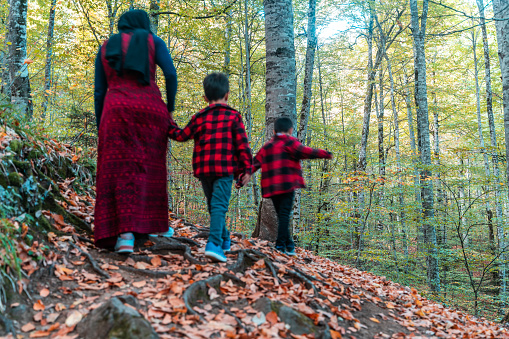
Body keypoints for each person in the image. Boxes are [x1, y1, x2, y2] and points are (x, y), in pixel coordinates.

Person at [94, 10, 177, 253]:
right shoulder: (154, 41)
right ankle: (148, 225)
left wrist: (102, 123)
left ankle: (124, 235)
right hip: (150, 110)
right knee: (147, 166)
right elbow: (170, 74)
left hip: (116, 109)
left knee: (117, 169)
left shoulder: (106, 46)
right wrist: (169, 108)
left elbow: (100, 91)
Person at [168, 72, 252, 262]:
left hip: (204, 169)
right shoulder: (234, 117)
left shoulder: (199, 117)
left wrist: (168, 121)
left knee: (214, 206)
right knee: (218, 206)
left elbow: (181, 135)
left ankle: (223, 239)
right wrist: (247, 169)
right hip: (224, 170)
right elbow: (243, 145)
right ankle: (214, 244)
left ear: (205, 97)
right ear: (227, 94)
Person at [240, 117, 332, 256]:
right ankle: (281, 246)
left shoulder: (267, 146)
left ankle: (289, 246)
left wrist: (245, 175)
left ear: (274, 130)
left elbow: (255, 162)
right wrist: (325, 154)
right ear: (290, 130)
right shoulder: (290, 142)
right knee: (284, 215)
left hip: (272, 187)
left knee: (282, 215)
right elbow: (305, 151)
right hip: (287, 185)